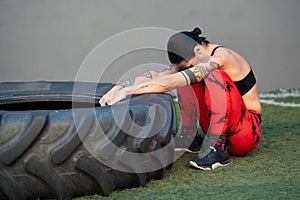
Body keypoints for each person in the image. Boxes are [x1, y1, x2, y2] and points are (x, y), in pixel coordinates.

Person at [99, 27, 262, 170]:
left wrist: (129, 92)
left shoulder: (223, 56)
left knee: (210, 75)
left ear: (198, 51)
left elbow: (171, 82)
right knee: (184, 75)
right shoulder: (194, 58)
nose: (184, 68)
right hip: (217, 126)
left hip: (245, 134)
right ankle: (190, 137)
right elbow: (158, 76)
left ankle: (217, 149)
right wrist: (121, 87)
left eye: (185, 64)